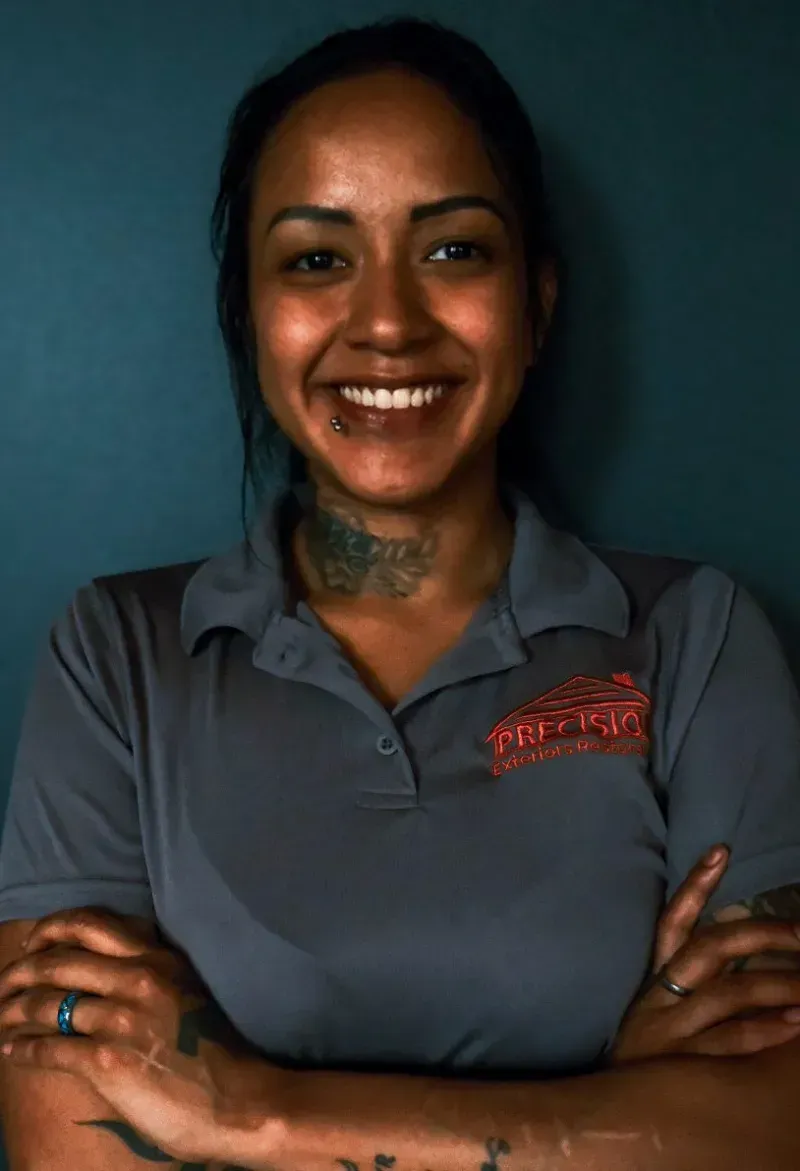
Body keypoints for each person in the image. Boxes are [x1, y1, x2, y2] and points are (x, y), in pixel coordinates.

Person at [1, 15, 800, 1171]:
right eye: (316, 258)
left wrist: (248, 1113)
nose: (385, 323)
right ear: (248, 315)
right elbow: (73, 1155)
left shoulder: (695, 636)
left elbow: (773, 1130)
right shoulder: (115, 656)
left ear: (535, 304)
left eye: (452, 250)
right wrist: (619, 1110)